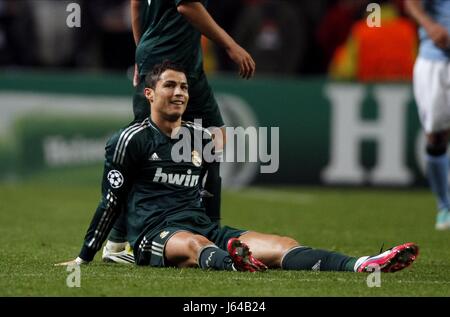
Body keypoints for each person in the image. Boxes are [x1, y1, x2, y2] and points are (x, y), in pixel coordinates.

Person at [56, 62, 419, 274]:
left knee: (282, 245)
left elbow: (209, 191)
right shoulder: (130, 139)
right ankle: (232, 260)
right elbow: (111, 202)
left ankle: (362, 264)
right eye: (169, 85)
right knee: (195, 246)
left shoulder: (200, 138)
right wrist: (84, 256)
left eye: (183, 86)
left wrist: (217, 228)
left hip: (206, 228)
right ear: (149, 94)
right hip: (155, 234)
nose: (179, 92)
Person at [102, 0, 258, 260]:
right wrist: (231, 46)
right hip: (172, 61)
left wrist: (143, 50)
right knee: (146, 149)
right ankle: (117, 241)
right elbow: (187, 6)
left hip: (177, 60)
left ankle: (207, 226)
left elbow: (136, 5)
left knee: (214, 139)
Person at [405, 0, 450, 230]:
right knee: (436, 136)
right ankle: (445, 206)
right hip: (437, 60)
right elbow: (411, 3)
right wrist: (430, 26)